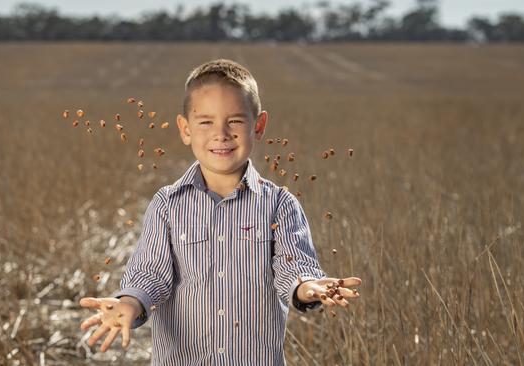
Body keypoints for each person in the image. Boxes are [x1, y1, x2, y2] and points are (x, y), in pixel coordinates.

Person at [79, 58, 361, 365]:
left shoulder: (279, 203)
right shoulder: (168, 205)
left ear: (259, 125)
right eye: (206, 122)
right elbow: (150, 275)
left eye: (236, 121)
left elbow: (293, 268)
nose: (222, 133)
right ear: (185, 129)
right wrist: (130, 303)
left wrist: (308, 286)